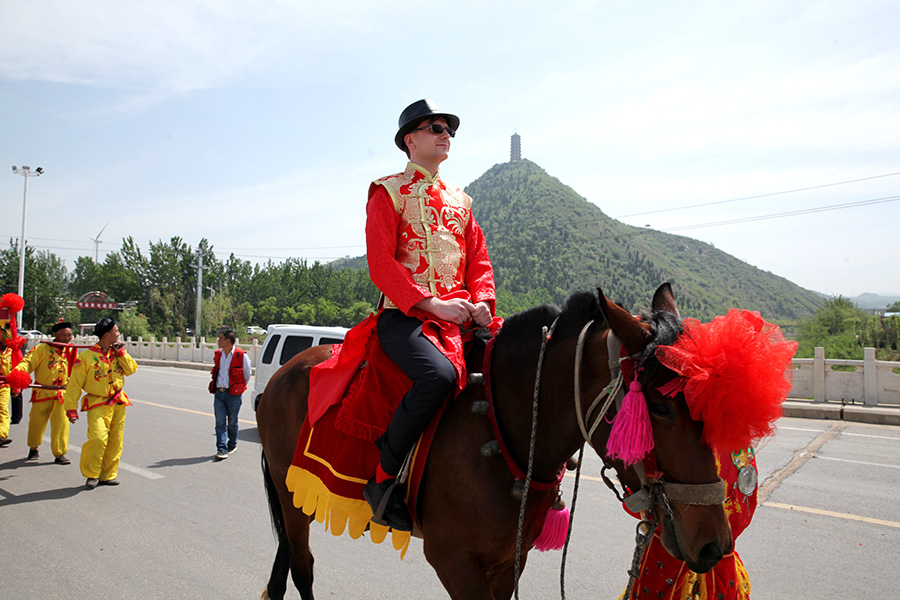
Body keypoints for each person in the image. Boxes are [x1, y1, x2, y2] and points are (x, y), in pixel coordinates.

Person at [362, 98, 496, 531]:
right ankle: (383, 478)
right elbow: (382, 264)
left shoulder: (462, 201)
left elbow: (480, 262)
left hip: (460, 317)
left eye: (449, 130)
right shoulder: (388, 191)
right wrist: (431, 304)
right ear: (410, 140)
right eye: (435, 127)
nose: (445, 134)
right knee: (436, 377)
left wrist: (480, 303)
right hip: (406, 317)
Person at [64, 317, 138, 489]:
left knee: (115, 441)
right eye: (116, 331)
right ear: (107, 334)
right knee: (97, 439)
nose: (118, 334)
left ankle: (108, 475)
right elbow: (74, 385)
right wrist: (70, 408)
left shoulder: (118, 352)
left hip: (118, 402)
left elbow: (131, 370)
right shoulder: (86, 357)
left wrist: (122, 354)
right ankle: (91, 474)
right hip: (97, 403)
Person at [14, 319, 78, 463]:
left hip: (62, 394)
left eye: (70, 335)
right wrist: (18, 373)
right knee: (37, 423)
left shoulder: (71, 351)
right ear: (56, 334)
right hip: (43, 392)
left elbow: (80, 370)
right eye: (64, 335)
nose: (68, 338)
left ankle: (59, 453)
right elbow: (28, 363)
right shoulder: (41, 349)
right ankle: (33, 447)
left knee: (61, 425)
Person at [208, 329, 251, 460]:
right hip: (219, 393)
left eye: (220, 338)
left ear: (228, 341)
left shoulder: (241, 356)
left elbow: (247, 375)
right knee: (220, 421)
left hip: (233, 395)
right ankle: (221, 448)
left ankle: (232, 444)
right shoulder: (218, 355)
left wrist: (238, 388)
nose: (218, 341)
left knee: (232, 421)